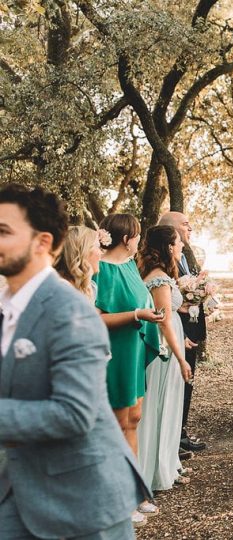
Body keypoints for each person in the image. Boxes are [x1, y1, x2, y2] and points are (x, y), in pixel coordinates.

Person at [0, 184, 150, 539]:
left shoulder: (71, 311)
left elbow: (74, 413)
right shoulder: (7, 305)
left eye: (4, 231)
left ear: (42, 243)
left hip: (82, 502)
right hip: (17, 491)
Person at [93, 213, 163, 526]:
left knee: (133, 418)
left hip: (133, 350)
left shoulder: (131, 267)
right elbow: (96, 319)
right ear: (127, 239)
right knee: (120, 424)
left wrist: (151, 316)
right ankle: (120, 500)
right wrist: (138, 313)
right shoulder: (100, 270)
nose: (139, 242)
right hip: (115, 352)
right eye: (137, 236)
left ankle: (136, 490)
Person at [137, 226, 193, 496]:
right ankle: (158, 470)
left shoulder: (159, 275)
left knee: (166, 407)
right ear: (169, 247)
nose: (182, 245)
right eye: (179, 241)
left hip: (171, 343)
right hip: (165, 353)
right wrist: (181, 358)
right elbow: (164, 322)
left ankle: (169, 463)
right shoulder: (159, 279)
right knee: (163, 406)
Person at [158, 211, 205, 455]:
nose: (190, 228)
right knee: (177, 382)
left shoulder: (185, 254)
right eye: (186, 224)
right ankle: (173, 437)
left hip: (191, 325)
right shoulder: (164, 263)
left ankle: (181, 432)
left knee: (187, 383)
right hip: (178, 326)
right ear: (172, 230)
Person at [54, 225, 103, 302]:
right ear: (84, 250)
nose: (101, 253)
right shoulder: (58, 290)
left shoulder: (91, 287)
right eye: (98, 247)